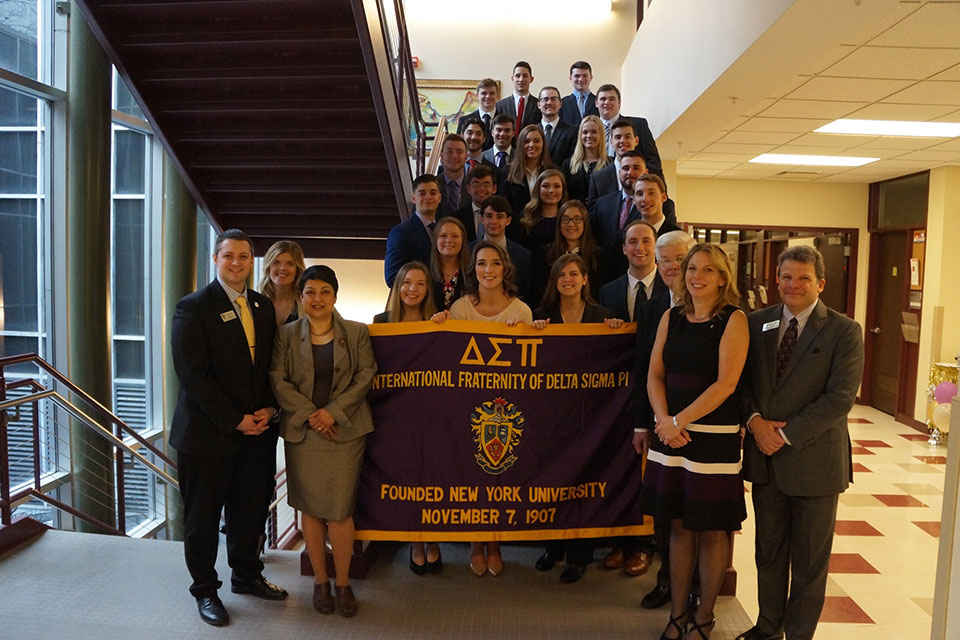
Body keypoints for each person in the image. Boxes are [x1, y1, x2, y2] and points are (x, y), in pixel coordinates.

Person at [735, 246, 864, 640]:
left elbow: (840, 398)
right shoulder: (757, 323)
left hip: (815, 464)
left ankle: (798, 635)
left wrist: (784, 435)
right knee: (768, 553)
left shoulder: (844, 330)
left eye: (803, 278)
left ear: (820, 283)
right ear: (777, 279)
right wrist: (756, 423)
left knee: (809, 563)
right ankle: (767, 628)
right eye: (786, 277)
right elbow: (740, 386)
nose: (793, 285)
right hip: (765, 462)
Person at [170, 228, 285, 627]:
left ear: (252, 262)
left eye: (243, 257)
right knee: (202, 520)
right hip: (208, 435)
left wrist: (270, 410)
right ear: (215, 259)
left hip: (258, 432)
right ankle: (205, 591)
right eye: (229, 256)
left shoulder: (262, 305)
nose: (236, 263)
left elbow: (270, 364)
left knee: (250, 511)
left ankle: (247, 575)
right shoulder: (193, 307)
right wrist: (235, 420)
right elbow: (193, 376)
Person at [641, 243, 749, 640]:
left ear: (723, 277)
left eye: (707, 269)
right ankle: (677, 615)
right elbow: (654, 374)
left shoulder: (733, 319)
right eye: (691, 268)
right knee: (679, 527)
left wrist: (679, 420)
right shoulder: (671, 316)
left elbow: (727, 383)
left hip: (712, 439)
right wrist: (664, 421)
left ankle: (704, 616)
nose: (697, 276)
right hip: (670, 434)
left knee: (712, 529)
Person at [269, 265, 376, 618]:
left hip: (345, 431)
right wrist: (313, 415)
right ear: (301, 296)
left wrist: (331, 412)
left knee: (341, 511)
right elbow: (278, 379)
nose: (317, 299)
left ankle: (343, 583)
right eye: (310, 292)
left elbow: (365, 376)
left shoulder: (357, 332)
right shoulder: (286, 335)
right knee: (311, 510)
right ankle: (319, 581)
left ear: (335, 296)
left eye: (324, 292)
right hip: (304, 433)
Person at [432, 241, 533, 577]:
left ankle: (496, 543)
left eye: (494, 263)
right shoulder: (461, 308)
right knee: (472, 474)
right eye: (480, 264)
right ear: (472, 270)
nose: (488, 270)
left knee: (502, 476)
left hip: (506, 410)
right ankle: (476, 542)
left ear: (505, 267)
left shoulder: (521, 311)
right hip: (468, 408)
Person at [531, 253, 623, 584]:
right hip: (551, 418)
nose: (567, 279)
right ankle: (553, 548)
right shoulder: (542, 316)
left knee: (580, 486)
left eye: (574, 274)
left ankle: (578, 556)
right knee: (552, 482)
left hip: (590, 418)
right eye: (561, 275)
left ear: (585, 279)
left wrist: (616, 331)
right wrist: (534, 331)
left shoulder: (603, 316)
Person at [628, 230, 698, 611]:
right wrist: (644, 424)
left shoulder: (716, 308)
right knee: (664, 508)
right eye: (665, 259)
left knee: (696, 512)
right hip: (658, 424)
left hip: (700, 424)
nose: (672, 266)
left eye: (679, 258)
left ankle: (695, 587)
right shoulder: (651, 307)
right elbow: (643, 370)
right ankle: (666, 581)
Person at [371, 262, 442, 575]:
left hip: (433, 414)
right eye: (407, 283)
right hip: (395, 416)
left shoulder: (439, 322)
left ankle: (435, 539)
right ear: (397, 286)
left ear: (428, 290)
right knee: (407, 480)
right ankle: (415, 541)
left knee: (435, 477)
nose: (413, 289)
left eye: (420, 284)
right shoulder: (380, 322)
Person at [532, 199, 601, 304]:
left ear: (585, 223)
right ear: (559, 223)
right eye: (565, 219)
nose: (571, 224)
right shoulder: (544, 253)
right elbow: (538, 291)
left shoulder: (598, 255)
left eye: (577, 219)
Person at [599, 219, 667, 320]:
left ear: (656, 246)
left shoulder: (670, 287)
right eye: (633, 241)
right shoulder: (608, 293)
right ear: (624, 249)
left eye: (646, 241)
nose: (639, 247)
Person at [590, 151, 649, 263]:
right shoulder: (601, 205)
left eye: (636, 168)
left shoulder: (652, 206)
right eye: (626, 168)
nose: (630, 172)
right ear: (619, 172)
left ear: (646, 172)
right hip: (604, 274)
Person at [384, 174, 442, 286]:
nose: (428, 197)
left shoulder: (441, 230)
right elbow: (392, 276)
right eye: (422, 193)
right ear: (414, 198)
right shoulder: (401, 232)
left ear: (439, 198)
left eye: (433, 193)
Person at [595, 83, 662, 178]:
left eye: (612, 99)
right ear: (596, 103)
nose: (607, 102)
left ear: (619, 103)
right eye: (603, 99)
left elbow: (653, 161)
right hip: (601, 184)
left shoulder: (639, 125)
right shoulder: (589, 130)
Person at [475, 195, 533, 302]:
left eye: (500, 216)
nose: (494, 221)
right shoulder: (468, 251)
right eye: (489, 216)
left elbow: (526, 293)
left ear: (508, 220)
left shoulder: (523, 255)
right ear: (481, 219)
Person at [587, 119, 641, 208]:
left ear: (636, 140)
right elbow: (592, 214)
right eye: (618, 137)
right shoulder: (598, 178)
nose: (622, 141)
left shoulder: (650, 173)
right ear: (611, 142)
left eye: (627, 137)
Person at [502, 124, 555, 217]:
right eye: (526, 141)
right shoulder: (507, 172)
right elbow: (504, 207)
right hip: (517, 228)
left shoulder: (553, 171)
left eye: (537, 141)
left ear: (543, 144)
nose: (531, 145)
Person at [562, 115, 611, 203]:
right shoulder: (568, 164)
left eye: (594, 132)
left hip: (602, 215)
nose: (589, 135)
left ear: (601, 135)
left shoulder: (610, 164)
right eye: (585, 132)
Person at [257, 240, 307, 325]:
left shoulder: (308, 302)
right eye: (276, 262)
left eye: (290, 263)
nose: (283, 268)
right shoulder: (256, 302)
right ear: (269, 267)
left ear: (297, 269)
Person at [518, 168, 567, 251]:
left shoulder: (568, 219)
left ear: (563, 190)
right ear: (538, 189)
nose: (551, 190)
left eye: (557, 186)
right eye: (545, 186)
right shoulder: (525, 219)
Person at [430, 217, 471, 311]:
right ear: (436, 240)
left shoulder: (472, 271)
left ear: (463, 240)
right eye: (443, 236)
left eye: (455, 236)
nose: (449, 240)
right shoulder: (425, 271)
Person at [452, 164, 498, 243]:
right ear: (468, 189)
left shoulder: (504, 217)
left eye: (486, 184)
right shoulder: (457, 219)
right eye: (476, 184)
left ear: (494, 189)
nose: (481, 189)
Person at [495, 61, 541, 135]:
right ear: (512, 78)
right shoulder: (500, 106)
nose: (521, 79)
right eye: (517, 76)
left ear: (531, 79)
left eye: (525, 76)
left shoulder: (539, 105)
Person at [538, 85, 577, 166]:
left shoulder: (572, 132)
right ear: (539, 105)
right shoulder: (532, 131)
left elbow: (573, 161)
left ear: (560, 104)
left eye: (553, 99)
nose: (549, 102)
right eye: (545, 99)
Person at [457, 78, 498, 150]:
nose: (488, 96)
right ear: (477, 96)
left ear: (497, 96)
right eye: (484, 93)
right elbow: (459, 147)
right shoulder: (464, 120)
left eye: (492, 93)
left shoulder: (505, 121)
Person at [436, 134, 468, 216]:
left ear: (466, 157)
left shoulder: (473, 186)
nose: (454, 156)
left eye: (459, 152)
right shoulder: (432, 186)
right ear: (442, 156)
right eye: (449, 151)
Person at [559, 60, 600, 126]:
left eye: (585, 76)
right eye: (577, 76)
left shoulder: (599, 102)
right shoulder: (562, 103)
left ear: (591, 77)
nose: (581, 79)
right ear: (570, 78)